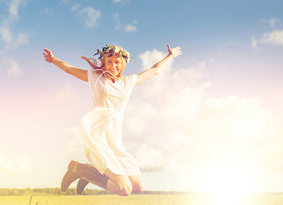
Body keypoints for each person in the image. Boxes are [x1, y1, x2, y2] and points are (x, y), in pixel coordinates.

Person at [43, 43, 182, 196]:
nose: (113, 65)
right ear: (104, 62)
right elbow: (69, 69)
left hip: (115, 139)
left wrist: (170, 56)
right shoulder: (96, 78)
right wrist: (54, 60)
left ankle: (87, 172)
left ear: (122, 64)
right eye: (109, 61)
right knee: (124, 189)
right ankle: (84, 171)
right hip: (99, 137)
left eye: (117, 62)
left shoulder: (128, 82)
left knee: (138, 187)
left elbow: (154, 70)